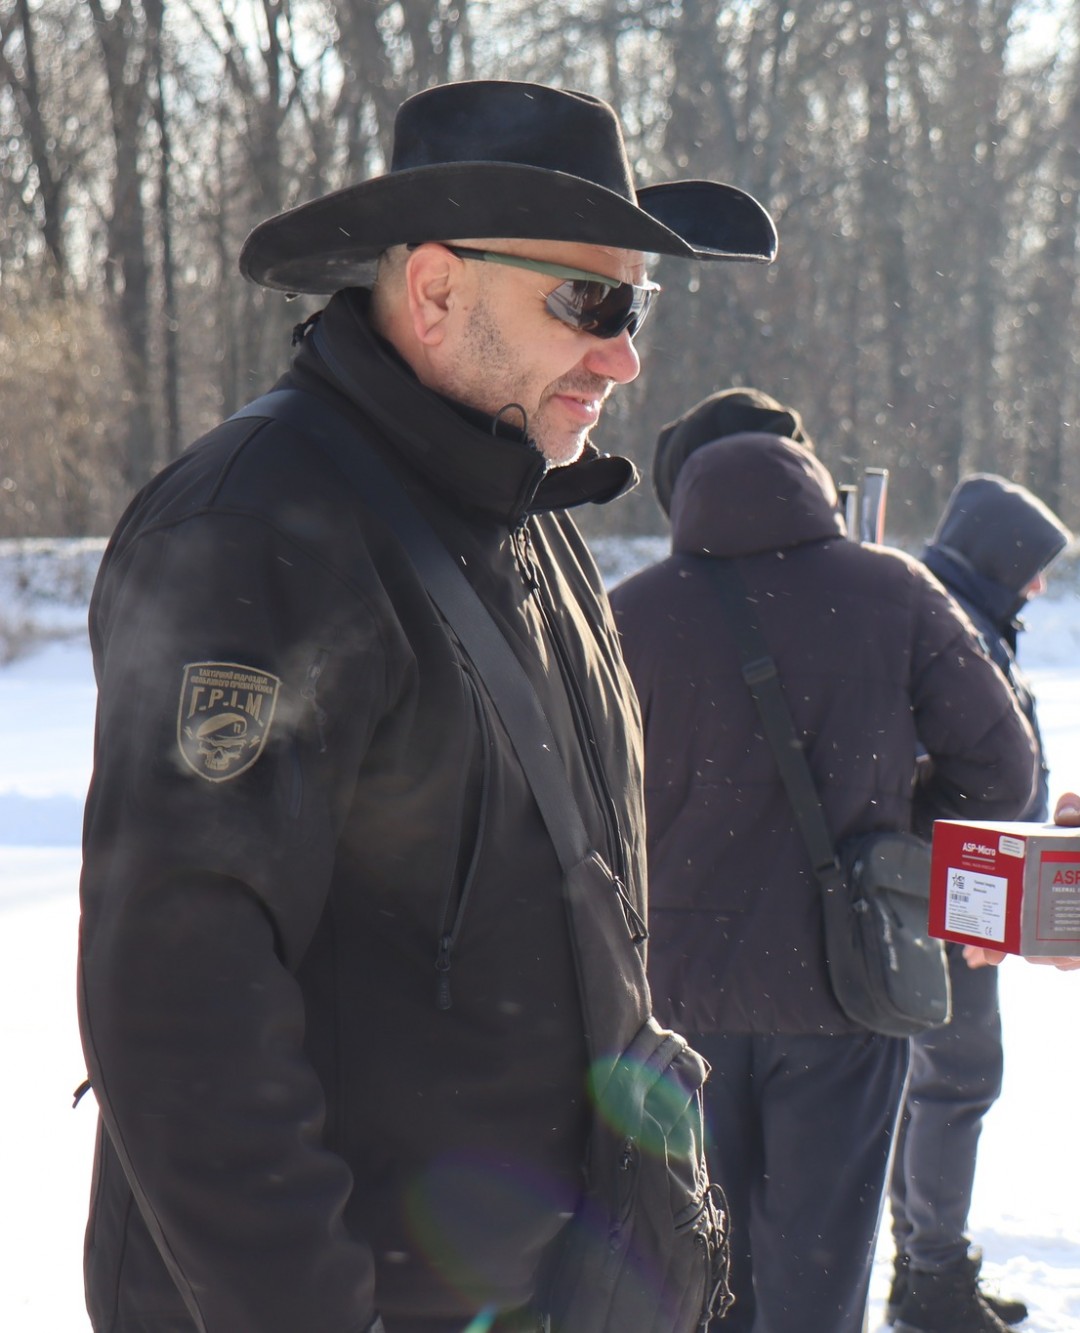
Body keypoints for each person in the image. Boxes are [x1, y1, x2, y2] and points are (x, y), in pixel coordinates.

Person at [75, 80, 775, 1333]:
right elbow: (179, 1007)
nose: (625, 354)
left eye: (637, 305)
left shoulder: (522, 514)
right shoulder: (255, 530)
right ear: (438, 288)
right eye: (589, 300)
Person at [609, 390, 1039, 1333]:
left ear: (679, 492)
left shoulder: (627, 616)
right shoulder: (892, 591)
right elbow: (1003, 774)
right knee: (818, 1285)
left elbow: (574, 808)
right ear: (810, 476)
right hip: (844, 990)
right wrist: (891, 831)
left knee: (696, 1278)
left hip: (676, 1008)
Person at [885, 475, 1072, 1333]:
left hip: (946, 896)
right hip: (950, 903)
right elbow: (950, 790)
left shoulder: (946, 618)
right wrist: (980, 910)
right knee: (955, 1083)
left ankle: (921, 1266)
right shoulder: (950, 633)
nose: (1038, 585)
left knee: (928, 1087)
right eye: (1031, 566)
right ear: (999, 558)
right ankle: (930, 1280)